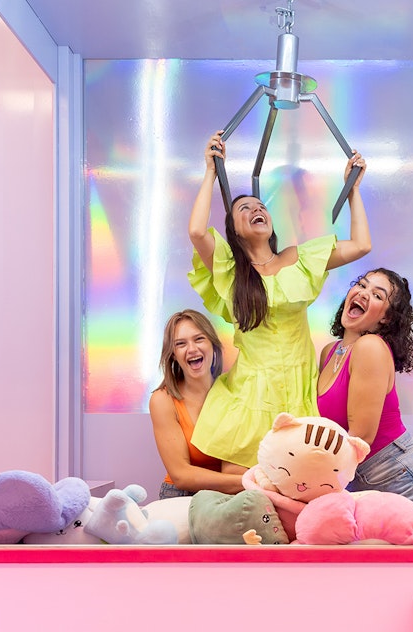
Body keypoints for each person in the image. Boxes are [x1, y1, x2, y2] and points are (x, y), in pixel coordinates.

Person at [187, 130, 371, 473]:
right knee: (242, 481)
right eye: (244, 208)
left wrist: (353, 191)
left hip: (299, 388)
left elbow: (361, 245)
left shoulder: (298, 258)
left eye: (260, 207)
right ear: (234, 230)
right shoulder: (230, 270)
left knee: (300, 480)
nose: (257, 209)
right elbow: (197, 232)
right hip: (251, 392)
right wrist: (211, 171)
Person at [316, 268, 413, 507]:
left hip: (401, 479)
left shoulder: (370, 346)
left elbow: (361, 437)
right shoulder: (330, 352)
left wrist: (313, 475)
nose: (364, 293)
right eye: (362, 285)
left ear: (386, 318)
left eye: (377, 295)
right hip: (359, 481)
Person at [148, 309, 245, 499]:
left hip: (231, 494)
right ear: (173, 354)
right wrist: (248, 482)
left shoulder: (237, 391)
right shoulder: (163, 399)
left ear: (213, 345)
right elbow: (181, 475)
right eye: (181, 344)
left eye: (199, 339)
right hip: (182, 495)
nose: (192, 349)